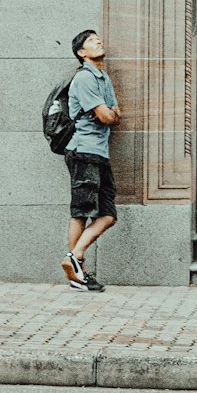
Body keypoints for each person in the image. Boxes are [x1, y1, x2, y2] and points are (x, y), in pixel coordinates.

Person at [62, 29, 120, 292]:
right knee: (82, 212)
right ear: (81, 53)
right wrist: (107, 113)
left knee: (108, 215)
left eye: (99, 38)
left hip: (98, 153)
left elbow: (115, 114)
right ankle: (77, 272)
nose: (98, 41)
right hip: (83, 151)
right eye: (90, 41)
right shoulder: (85, 78)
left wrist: (108, 113)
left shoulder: (103, 78)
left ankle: (74, 258)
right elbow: (108, 116)